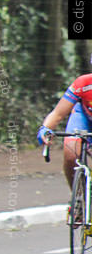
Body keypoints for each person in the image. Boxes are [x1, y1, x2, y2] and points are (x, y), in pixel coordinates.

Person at [37, 64, 92, 193]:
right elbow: (57, 114)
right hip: (83, 118)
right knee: (70, 153)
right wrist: (45, 129)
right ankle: (79, 195)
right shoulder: (83, 83)